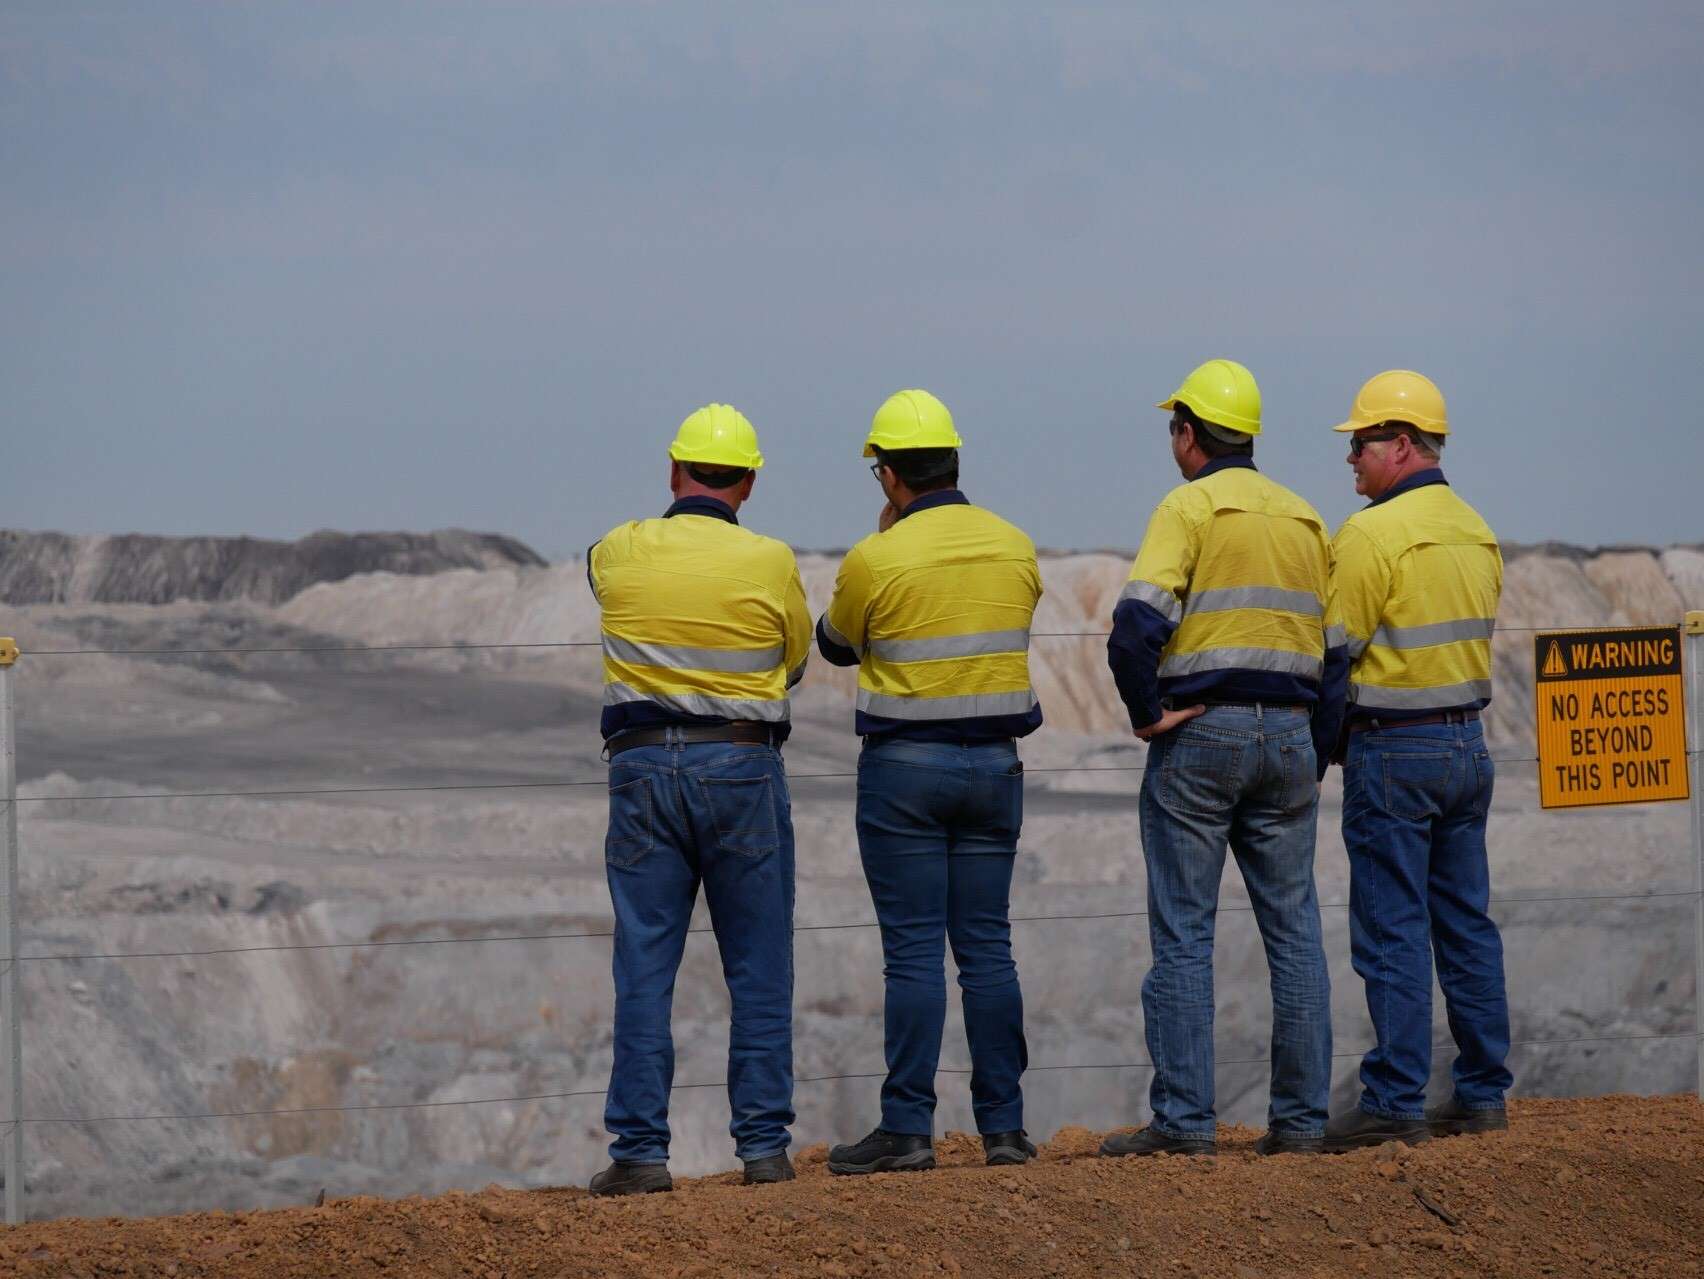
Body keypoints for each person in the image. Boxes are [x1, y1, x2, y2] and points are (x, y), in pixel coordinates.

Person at [1103, 359, 1334, 1158]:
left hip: (1202, 733)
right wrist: (1315, 744)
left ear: (1188, 433)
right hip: (1292, 736)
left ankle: (1185, 1123)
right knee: (1296, 930)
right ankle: (1303, 1123)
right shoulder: (1305, 517)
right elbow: (1332, 654)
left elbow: (1134, 626)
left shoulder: (1190, 506)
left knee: (1185, 932)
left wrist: (1148, 713)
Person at [584, 403, 811, 1194]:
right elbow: (796, 658)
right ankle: (763, 1150)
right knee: (757, 963)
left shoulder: (620, 548)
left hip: (641, 767)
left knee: (645, 959)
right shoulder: (772, 559)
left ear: (672, 471)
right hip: (743, 766)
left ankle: (640, 1153)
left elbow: (594, 573)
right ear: (749, 482)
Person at [816, 388, 1043, 1174]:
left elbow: (837, 644)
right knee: (986, 947)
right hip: (994, 766)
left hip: (905, 770)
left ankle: (908, 1129)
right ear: (954, 459)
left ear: (887, 476)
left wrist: (883, 543)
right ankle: (1006, 1130)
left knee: (912, 952)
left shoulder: (878, 555)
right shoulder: (1014, 545)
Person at [1316, 370, 1510, 1152]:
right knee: (1465, 923)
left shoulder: (1369, 535)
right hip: (1468, 744)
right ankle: (1482, 1092)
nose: (1351, 459)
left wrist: (1324, 751)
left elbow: (1334, 658)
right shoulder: (1476, 528)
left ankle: (1395, 1098)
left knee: (1392, 925)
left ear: (1401, 443)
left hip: (1393, 748)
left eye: (1360, 443)